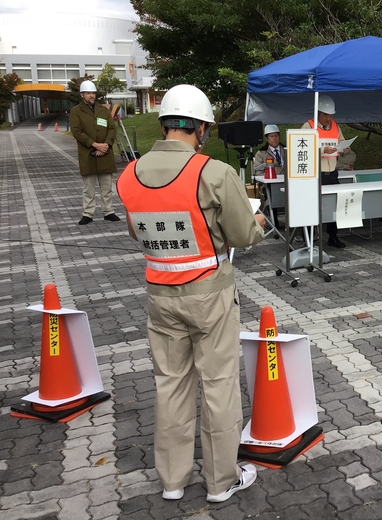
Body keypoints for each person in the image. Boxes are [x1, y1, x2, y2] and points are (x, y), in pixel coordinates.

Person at [116, 85, 266, 504]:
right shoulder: (214, 173)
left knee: (170, 386)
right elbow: (242, 235)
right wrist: (257, 220)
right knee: (218, 385)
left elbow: (137, 232)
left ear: (164, 125)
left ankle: (172, 480)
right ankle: (221, 481)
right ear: (200, 128)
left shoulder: (129, 175)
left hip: (160, 295)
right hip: (210, 294)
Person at [301, 95, 349, 248]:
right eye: (325, 115)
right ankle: (308, 239)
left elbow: (341, 141)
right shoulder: (308, 126)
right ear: (318, 113)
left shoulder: (335, 126)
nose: (328, 118)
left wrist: (345, 147)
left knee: (335, 204)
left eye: (331, 115)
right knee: (311, 206)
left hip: (332, 172)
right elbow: (302, 148)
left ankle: (332, 236)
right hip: (315, 174)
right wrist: (322, 149)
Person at [70, 80, 120, 225]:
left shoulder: (103, 110)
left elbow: (112, 128)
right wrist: (95, 145)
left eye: (93, 93)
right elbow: (77, 132)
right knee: (88, 188)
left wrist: (105, 145)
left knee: (106, 186)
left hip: (105, 152)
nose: (91, 96)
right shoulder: (76, 111)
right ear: (82, 95)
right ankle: (88, 213)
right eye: (88, 93)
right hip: (88, 154)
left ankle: (108, 211)